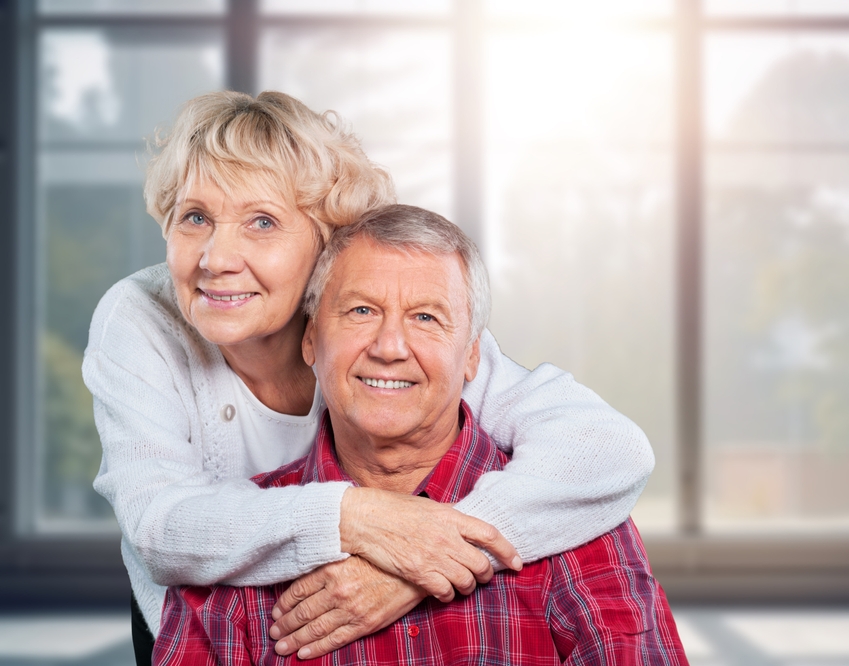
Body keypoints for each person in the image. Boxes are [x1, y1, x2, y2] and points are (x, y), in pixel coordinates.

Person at [82, 91, 655, 664]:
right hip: (199, 612)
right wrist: (359, 519)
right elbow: (159, 529)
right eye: (195, 217)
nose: (215, 257)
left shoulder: (385, 331)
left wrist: (424, 556)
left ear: (325, 240)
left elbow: (611, 450)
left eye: (262, 222)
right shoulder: (139, 317)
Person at [153, 204, 688, 666]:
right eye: (362, 311)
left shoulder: (576, 521)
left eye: (426, 318)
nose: (390, 345)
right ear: (312, 340)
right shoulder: (225, 564)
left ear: (474, 354)